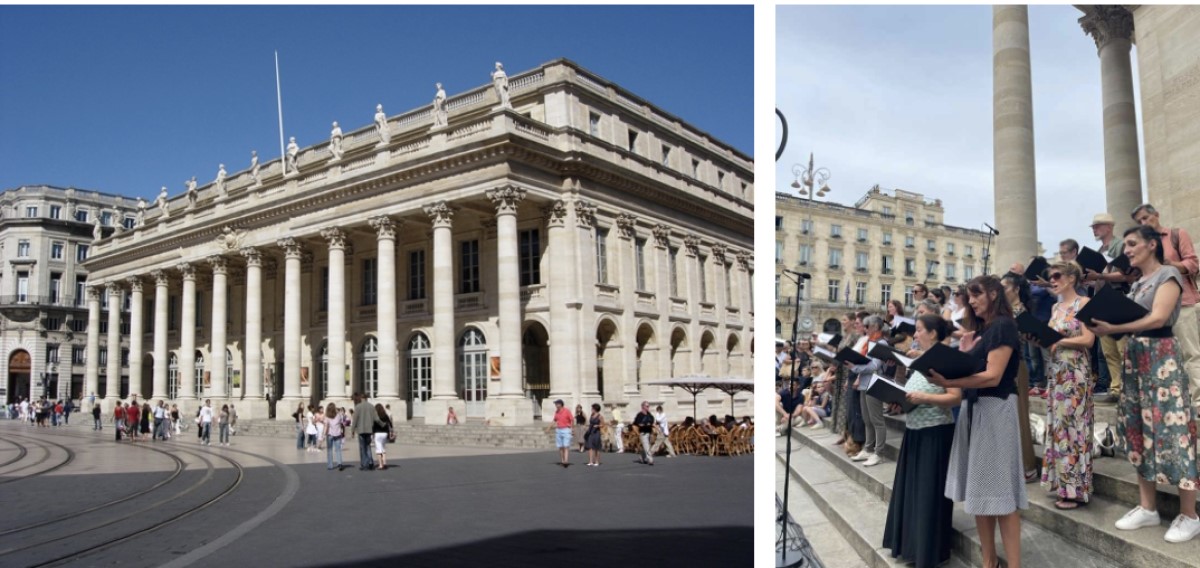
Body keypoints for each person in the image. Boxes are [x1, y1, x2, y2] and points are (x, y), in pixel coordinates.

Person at [1087, 225, 1200, 543]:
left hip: (1161, 359)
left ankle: (1190, 515)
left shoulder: (1168, 275)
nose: (1128, 250)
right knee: (1136, 430)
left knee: (1175, 432)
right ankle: (1148, 507)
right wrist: (1105, 327)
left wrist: (1115, 324)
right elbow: (1136, 320)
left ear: (1153, 244)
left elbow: (1158, 318)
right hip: (1136, 358)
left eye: (1133, 244)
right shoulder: (1137, 283)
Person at [927, 275, 1027, 568]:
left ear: (994, 293)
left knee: (1002, 496)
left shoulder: (1004, 326)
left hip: (995, 408)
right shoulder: (983, 329)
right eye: (968, 296)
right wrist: (964, 350)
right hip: (974, 408)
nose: (971, 301)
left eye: (976, 294)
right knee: (980, 493)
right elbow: (973, 367)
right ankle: (988, 561)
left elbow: (993, 375)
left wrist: (949, 379)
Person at [883, 314, 961, 568]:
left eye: (918, 330)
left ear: (933, 333)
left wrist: (923, 399)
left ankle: (929, 552)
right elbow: (914, 392)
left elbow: (955, 397)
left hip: (936, 432)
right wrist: (901, 399)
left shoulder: (947, 358)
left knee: (929, 494)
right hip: (915, 430)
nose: (914, 335)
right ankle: (912, 547)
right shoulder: (919, 359)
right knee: (914, 493)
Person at [1034, 261, 1096, 509]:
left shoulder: (1084, 303)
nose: (1053, 280)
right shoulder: (1056, 307)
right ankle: (1063, 484)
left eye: (1057, 275)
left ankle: (1076, 489)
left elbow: (1089, 339)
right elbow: (1050, 339)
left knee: (1074, 426)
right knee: (1059, 427)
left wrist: (1059, 342)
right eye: (1051, 277)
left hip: (1075, 370)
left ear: (1072, 278)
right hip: (1057, 370)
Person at [1132, 203, 1200, 411]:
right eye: (1139, 222)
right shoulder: (1143, 246)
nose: (1143, 224)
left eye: (1145, 218)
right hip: (1156, 309)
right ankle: (1180, 400)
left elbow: (1194, 264)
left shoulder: (1176, 234)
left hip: (1183, 303)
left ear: (1156, 216)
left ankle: (1198, 404)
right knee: (1169, 356)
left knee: (1191, 354)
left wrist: (1171, 264)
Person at [1083, 213, 1137, 404]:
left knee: (1122, 347)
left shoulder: (1120, 246)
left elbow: (1125, 276)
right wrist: (1091, 280)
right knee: (1108, 350)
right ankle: (1116, 388)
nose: (1094, 230)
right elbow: (1101, 278)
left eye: (1097, 226)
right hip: (1102, 300)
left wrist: (1100, 276)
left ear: (1108, 227)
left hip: (1117, 298)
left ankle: (1128, 389)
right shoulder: (1100, 250)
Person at [1000, 272, 1042, 483]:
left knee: (1020, 415)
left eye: (1005, 287)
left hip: (1017, 365)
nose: (1001, 292)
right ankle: (1014, 463)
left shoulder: (1020, 312)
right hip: (1005, 365)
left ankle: (1028, 465)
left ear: (1016, 289)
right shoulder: (1005, 312)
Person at [849, 315, 887, 467]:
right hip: (865, 382)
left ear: (876, 327)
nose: (865, 329)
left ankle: (879, 453)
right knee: (866, 418)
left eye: (867, 327)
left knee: (877, 420)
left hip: (874, 383)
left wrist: (855, 367)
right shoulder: (869, 342)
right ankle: (868, 448)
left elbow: (874, 366)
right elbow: (865, 361)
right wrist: (858, 374)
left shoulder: (881, 343)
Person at [352, 393, 382, 471]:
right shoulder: (371, 407)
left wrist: (352, 430)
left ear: (361, 398)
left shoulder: (358, 407)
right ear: (367, 398)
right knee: (368, 447)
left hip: (361, 430)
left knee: (362, 448)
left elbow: (355, 420)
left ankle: (364, 464)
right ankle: (370, 462)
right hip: (369, 430)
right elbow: (377, 419)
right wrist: (383, 424)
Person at [325, 403, 348, 471]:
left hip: (330, 434)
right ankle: (339, 463)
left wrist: (324, 434)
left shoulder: (327, 416)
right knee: (338, 450)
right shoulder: (338, 415)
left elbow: (326, 426)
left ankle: (330, 465)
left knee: (329, 450)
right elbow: (342, 423)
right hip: (337, 434)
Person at [632, 401, 656, 466]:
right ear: (643, 406)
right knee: (647, 446)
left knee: (646, 446)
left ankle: (642, 458)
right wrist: (643, 424)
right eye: (647, 406)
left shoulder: (649, 414)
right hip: (643, 433)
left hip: (649, 432)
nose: (648, 407)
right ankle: (650, 459)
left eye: (648, 406)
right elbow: (636, 423)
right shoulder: (639, 415)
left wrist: (651, 424)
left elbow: (652, 420)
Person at [552, 399, 572, 468]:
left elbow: (572, 419)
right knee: (560, 447)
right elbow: (554, 420)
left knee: (566, 446)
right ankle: (562, 460)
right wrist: (549, 427)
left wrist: (571, 427)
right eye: (555, 404)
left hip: (566, 429)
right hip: (559, 430)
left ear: (560, 404)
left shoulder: (567, 411)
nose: (556, 405)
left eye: (557, 404)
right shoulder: (556, 412)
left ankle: (566, 461)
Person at [373, 404, 392, 470]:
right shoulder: (385, 415)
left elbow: (373, 425)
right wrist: (391, 431)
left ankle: (380, 465)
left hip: (378, 433)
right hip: (385, 433)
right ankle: (384, 463)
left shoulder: (375, 416)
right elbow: (390, 423)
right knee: (383, 448)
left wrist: (372, 433)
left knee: (378, 449)